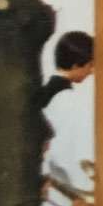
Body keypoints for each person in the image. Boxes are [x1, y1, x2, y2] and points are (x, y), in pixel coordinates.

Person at [40, 31, 95, 195]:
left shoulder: (45, 93)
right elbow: (70, 150)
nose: (91, 72)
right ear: (75, 65)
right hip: (63, 185)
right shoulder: (68, 100)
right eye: (90, 66)